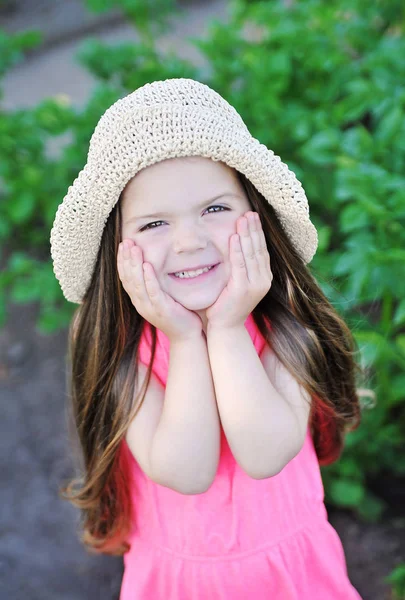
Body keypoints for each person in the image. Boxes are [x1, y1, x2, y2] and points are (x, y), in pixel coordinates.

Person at [50, 78, 367, 599]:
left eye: (215, 209)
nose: (189, 242)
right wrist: (186, 340)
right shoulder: (127, 355)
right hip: (179, 585)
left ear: (255, 216)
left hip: (293, 579)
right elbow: (187, 470)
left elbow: (265, 454)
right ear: (117, 248)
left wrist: (224, 327)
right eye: (153, 223)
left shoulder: (284, 327)